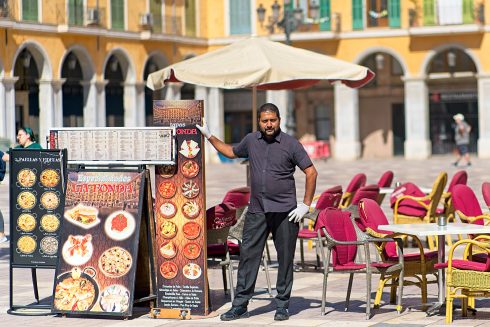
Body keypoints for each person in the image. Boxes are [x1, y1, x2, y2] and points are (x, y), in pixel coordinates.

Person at [197, 103, 317, 321]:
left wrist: (305, 205)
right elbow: (230, 152)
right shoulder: (251, 140)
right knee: (248, 257)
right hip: (257, 210)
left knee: (285, 259)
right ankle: (240, 306)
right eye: (265, 121)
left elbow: (311, 172)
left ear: (279, 120)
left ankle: (282, 305)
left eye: (273, 120)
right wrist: (209, 136)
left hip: (286, 213)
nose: (269, 124)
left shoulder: (291, 144)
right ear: (259, 122)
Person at [0, 127, 42, 243]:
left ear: (28, 135)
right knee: (23, 212)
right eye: (17, 135)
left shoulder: (36, 147)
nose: (18, 137)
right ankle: (25, 236)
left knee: (36, 211)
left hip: (35, 185)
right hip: (21, 186)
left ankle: (36, 234)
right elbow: (6, 157)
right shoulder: (18, 148)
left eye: (20, 135)